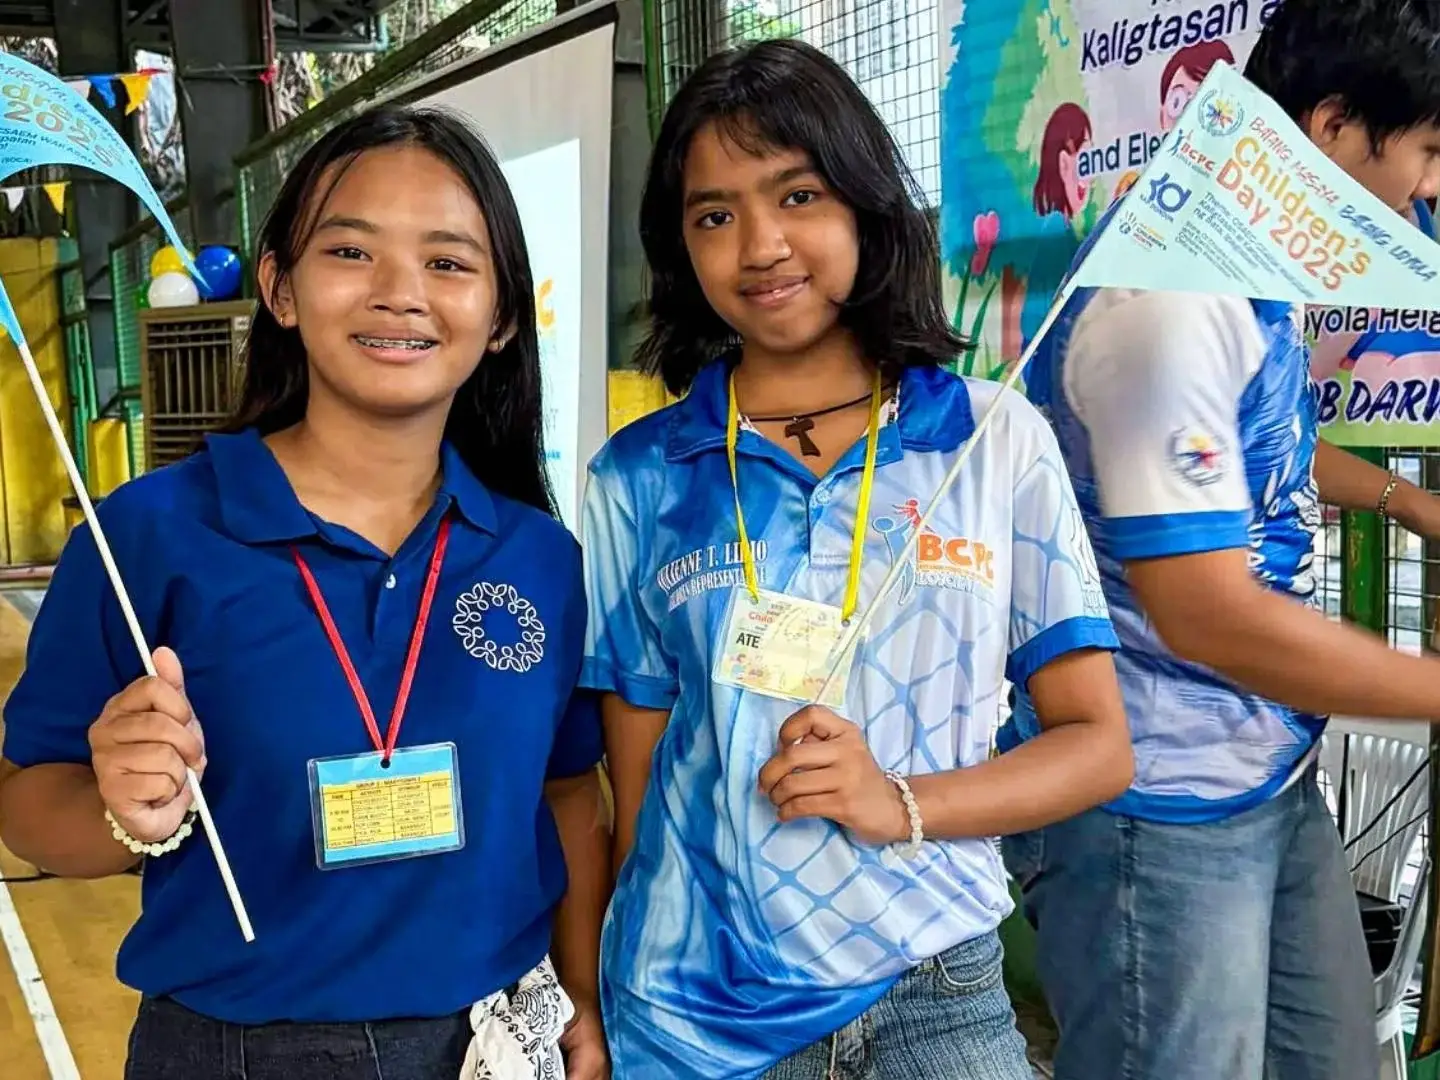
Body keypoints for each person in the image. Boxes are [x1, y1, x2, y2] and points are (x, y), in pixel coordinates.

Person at [0, 105, 610, 1080]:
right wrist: (121, 810)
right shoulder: (150, 537)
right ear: (280, 288)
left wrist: (581, 999)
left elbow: (570, 795)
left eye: (448, 263)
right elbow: (26, 803)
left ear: (501, 317)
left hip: (493, 1040)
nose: (401, 294)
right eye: (351, 252)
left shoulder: (539, 556)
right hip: (230, 1053)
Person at [580, 39, 1133, 1080]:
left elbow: (1098, 745)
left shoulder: (990, 442)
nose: (759, 245)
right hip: (697, 1012)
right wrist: (605, 1002)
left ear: (866, 205)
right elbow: (640, 773)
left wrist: (904, 803)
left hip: (938, 994)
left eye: (797, 194)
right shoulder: (641, 477)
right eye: (714, 215)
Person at [1004, 2, 1440, 1078]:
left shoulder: (1244, 256)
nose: (1427, 191)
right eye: (1429, 151)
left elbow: (1257, 455)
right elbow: (1205, 614)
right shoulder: (1170, 298)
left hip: (1266, 775)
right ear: (1336, 127)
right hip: (1153, 802)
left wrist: (1408, 501)